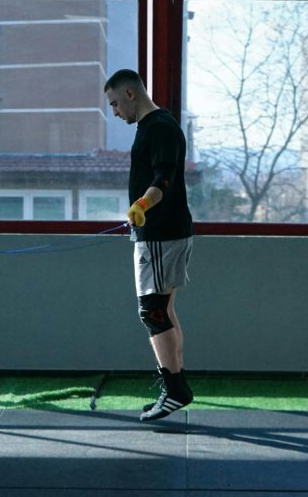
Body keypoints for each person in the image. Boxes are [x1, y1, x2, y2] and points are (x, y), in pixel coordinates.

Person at [104, 68, 194, 421]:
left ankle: (173, 390)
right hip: (163, 233)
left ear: (130, 94)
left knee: (152, 311)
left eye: (114, 103)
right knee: (164, 310)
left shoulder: (159, 127)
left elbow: (164, 178)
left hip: (161, 235)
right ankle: (177, 387)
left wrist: (142, 205)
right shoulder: (155, 126)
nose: (114, 112)